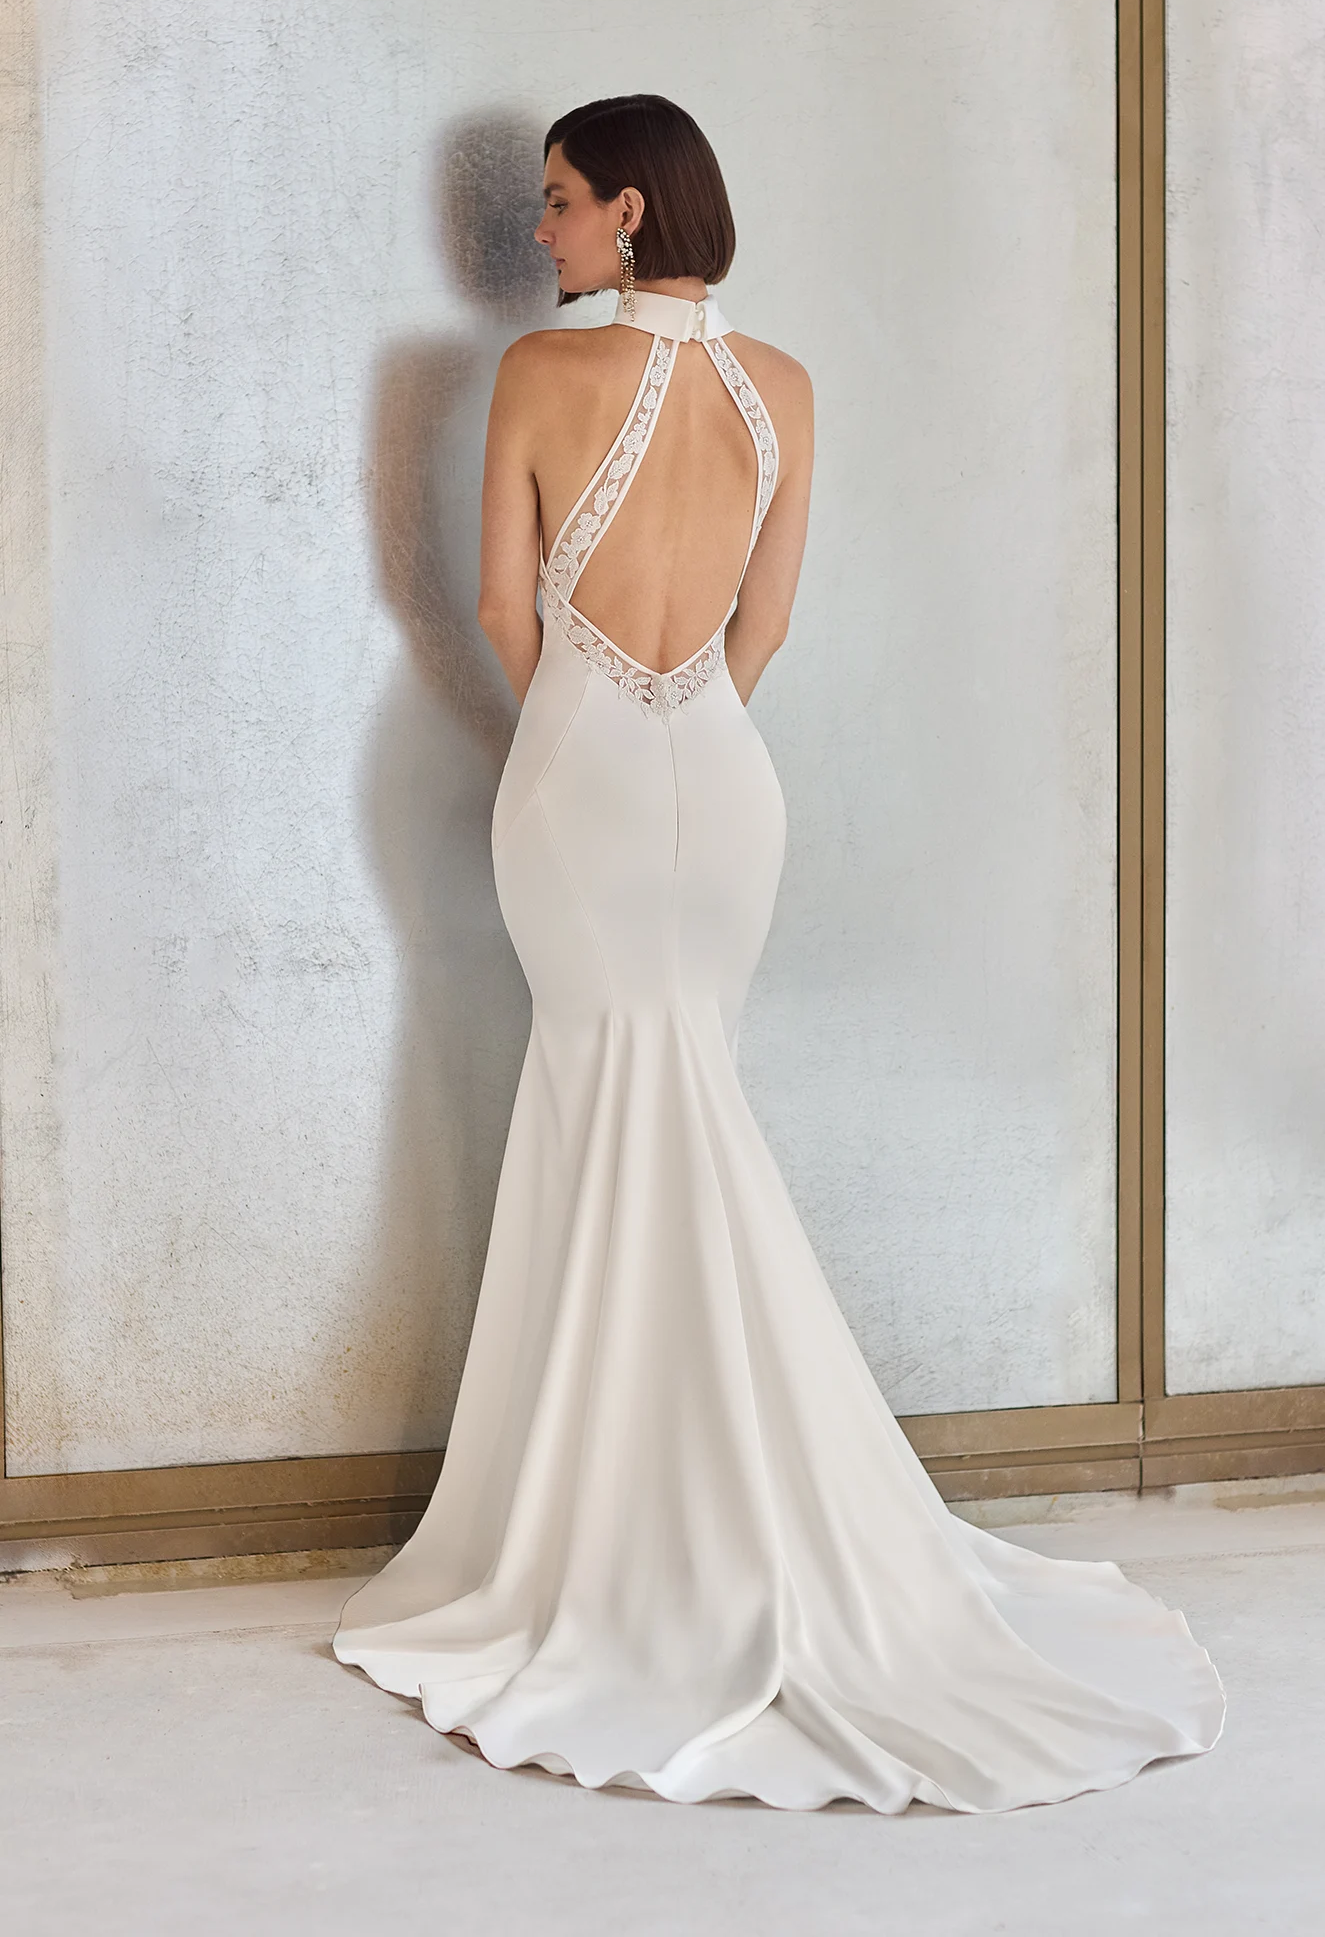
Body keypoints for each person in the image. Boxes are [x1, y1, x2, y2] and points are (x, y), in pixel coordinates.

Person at [334, 93, 1224, 1811]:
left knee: (607, 1105)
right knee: (687, 1106)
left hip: (580, 780)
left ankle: (612, 1531)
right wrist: (684, 734)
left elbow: (506, 611)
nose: (544, 233)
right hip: (728, 793)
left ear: (635, 220)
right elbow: (769, 619)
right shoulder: (790, 390)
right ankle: (726, 1501)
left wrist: (593, 732)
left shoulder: (537, 378)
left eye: (564, 203)